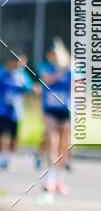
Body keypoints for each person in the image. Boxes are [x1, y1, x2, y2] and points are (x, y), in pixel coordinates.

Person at [37, 38, 72, 194]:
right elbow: (47, 80)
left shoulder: (70, 70)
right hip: (50, 108)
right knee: (52, 139)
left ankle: (59, 180)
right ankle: (50, 179)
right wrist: (62, 70)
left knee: (64, 145)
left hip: (65, 109)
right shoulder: (45, 67)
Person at [0, 53, 35, 170]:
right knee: (4, 134)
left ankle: (11, 157)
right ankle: (3, 157)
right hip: (3, 110)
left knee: (14, 136)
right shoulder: (2, 73)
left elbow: (30, 88)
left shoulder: (22, 75)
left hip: (16, 110)